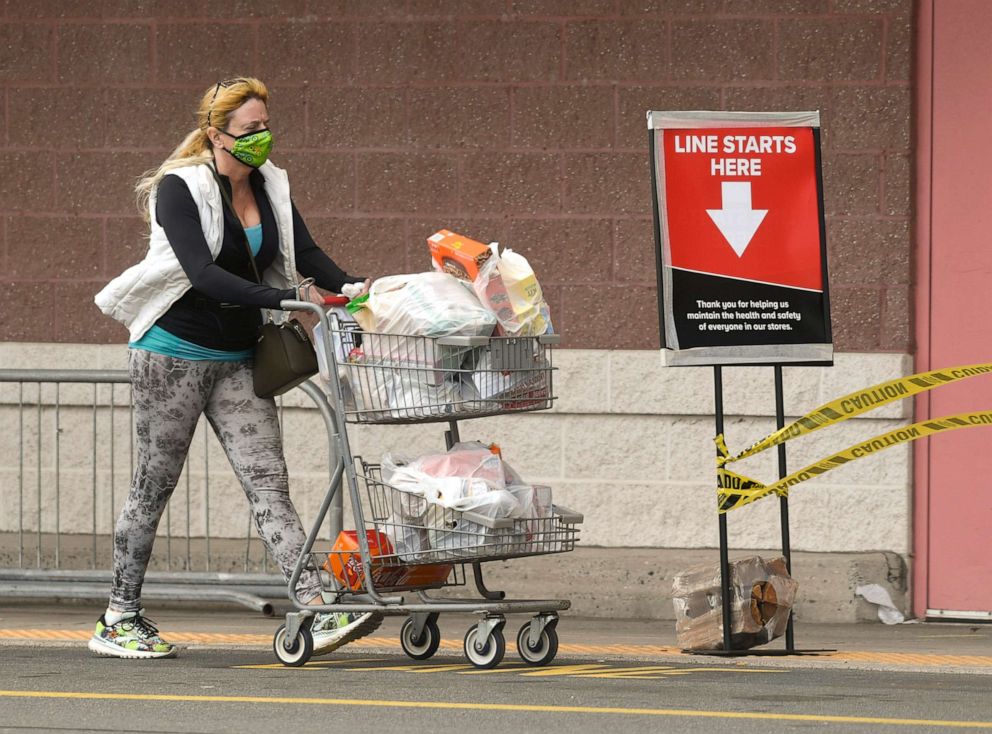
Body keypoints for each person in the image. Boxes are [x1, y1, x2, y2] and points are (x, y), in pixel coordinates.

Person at [92, 77, 379, 659]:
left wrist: (350, 286)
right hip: (172, 353)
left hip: (238, 358)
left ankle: (317, 604)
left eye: (265, 126)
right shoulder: (180, 187)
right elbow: (202, 272)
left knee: (269, 482)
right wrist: (284, 302)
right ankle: (118, 617)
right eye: (249, 129)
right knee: (153, 485)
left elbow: (305, 253)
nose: (261, 137)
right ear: (215, 134)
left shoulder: (271, 184)